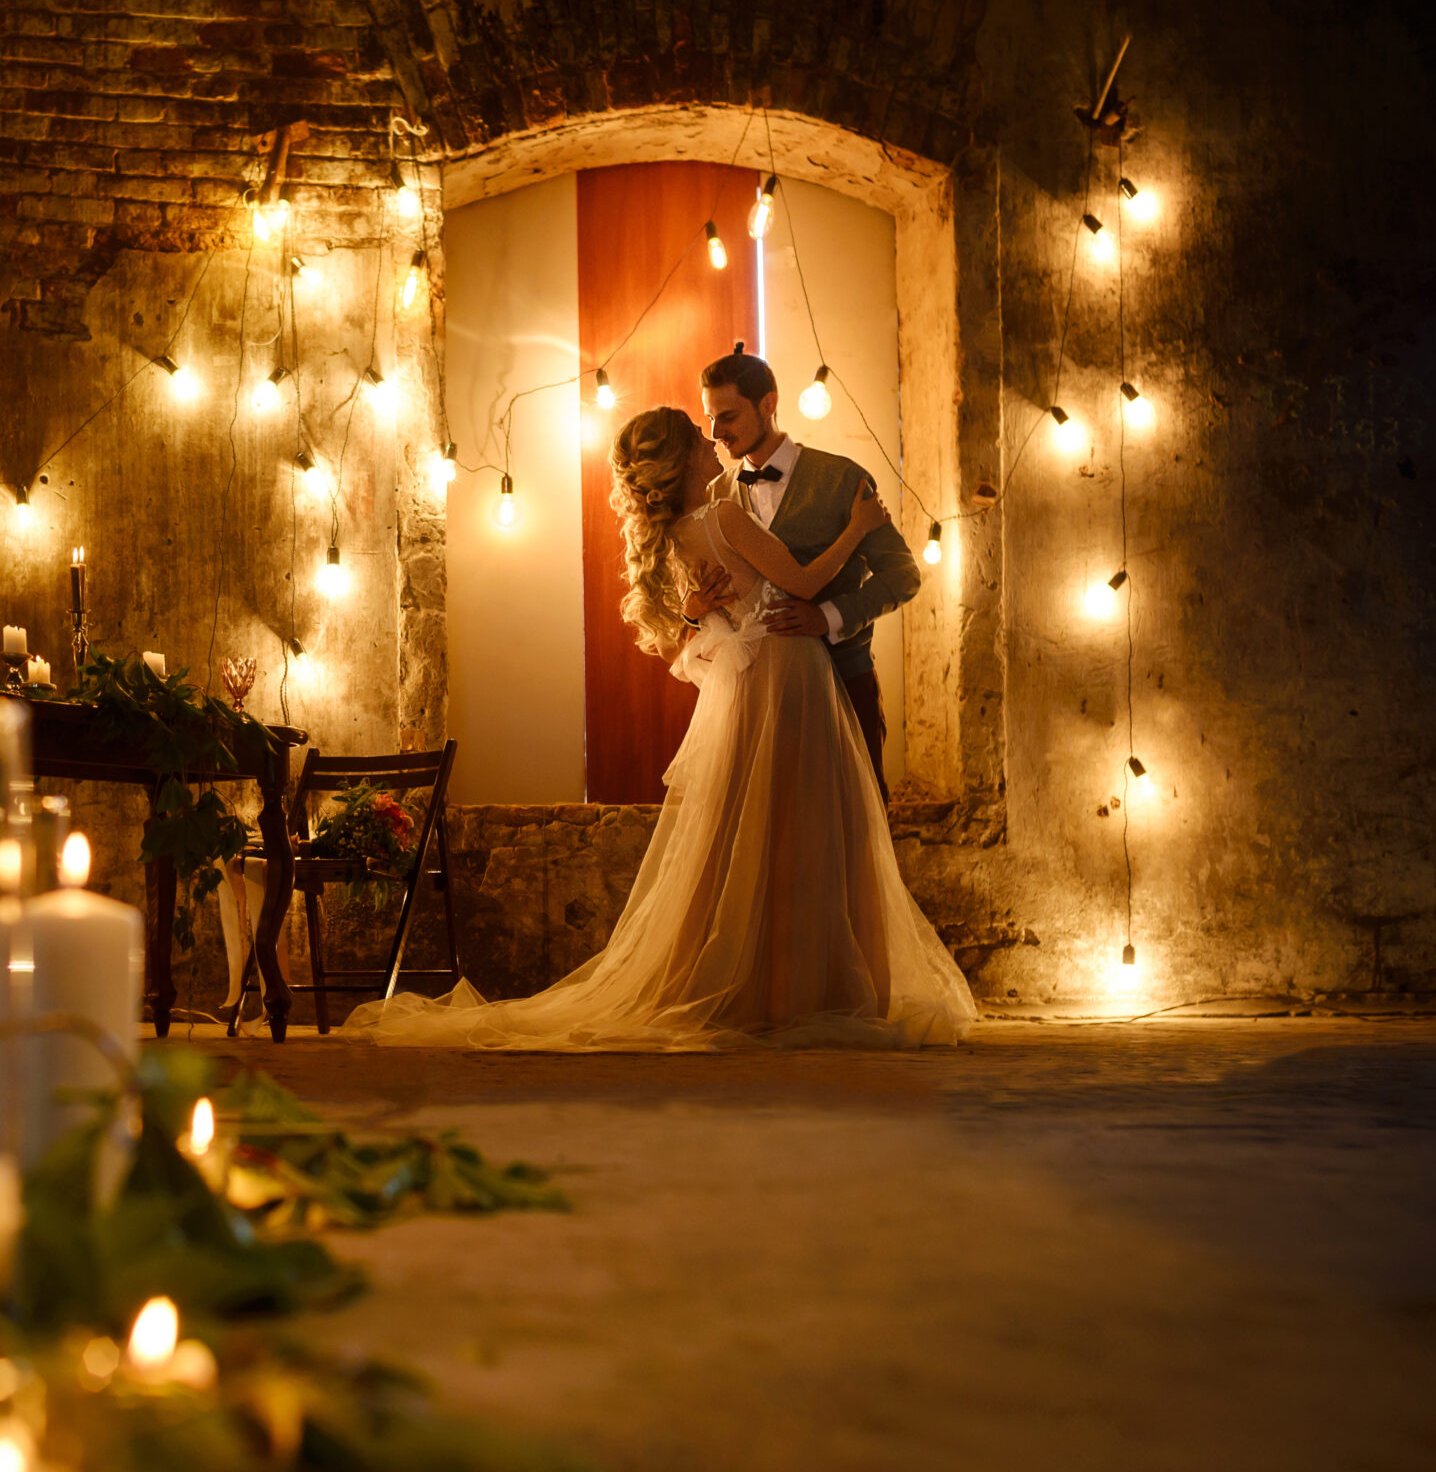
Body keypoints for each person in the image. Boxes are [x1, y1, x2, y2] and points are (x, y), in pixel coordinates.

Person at [343, 402, 976, 1050]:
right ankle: (799, 993)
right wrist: (859, 525)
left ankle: (764, 988)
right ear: (683, 459)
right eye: (700, 435)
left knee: (747, 841)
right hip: (787, 673)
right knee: (802, 838)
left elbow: (684, 647)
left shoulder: (675, 534)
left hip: (743, 689)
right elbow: (806, 583)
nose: (712, 441)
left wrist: (700, 613)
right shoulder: (725, 514)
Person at [690, 350, 919, 800]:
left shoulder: (843, 479)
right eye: (711, 419)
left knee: (856, 821)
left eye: (728, 416)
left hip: (842, 684)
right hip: (753, 695)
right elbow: (705, 597)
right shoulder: (716, 495)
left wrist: (828, 617)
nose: (717, 433)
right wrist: (693, 611)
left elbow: (903, 576)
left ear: (769, 404)